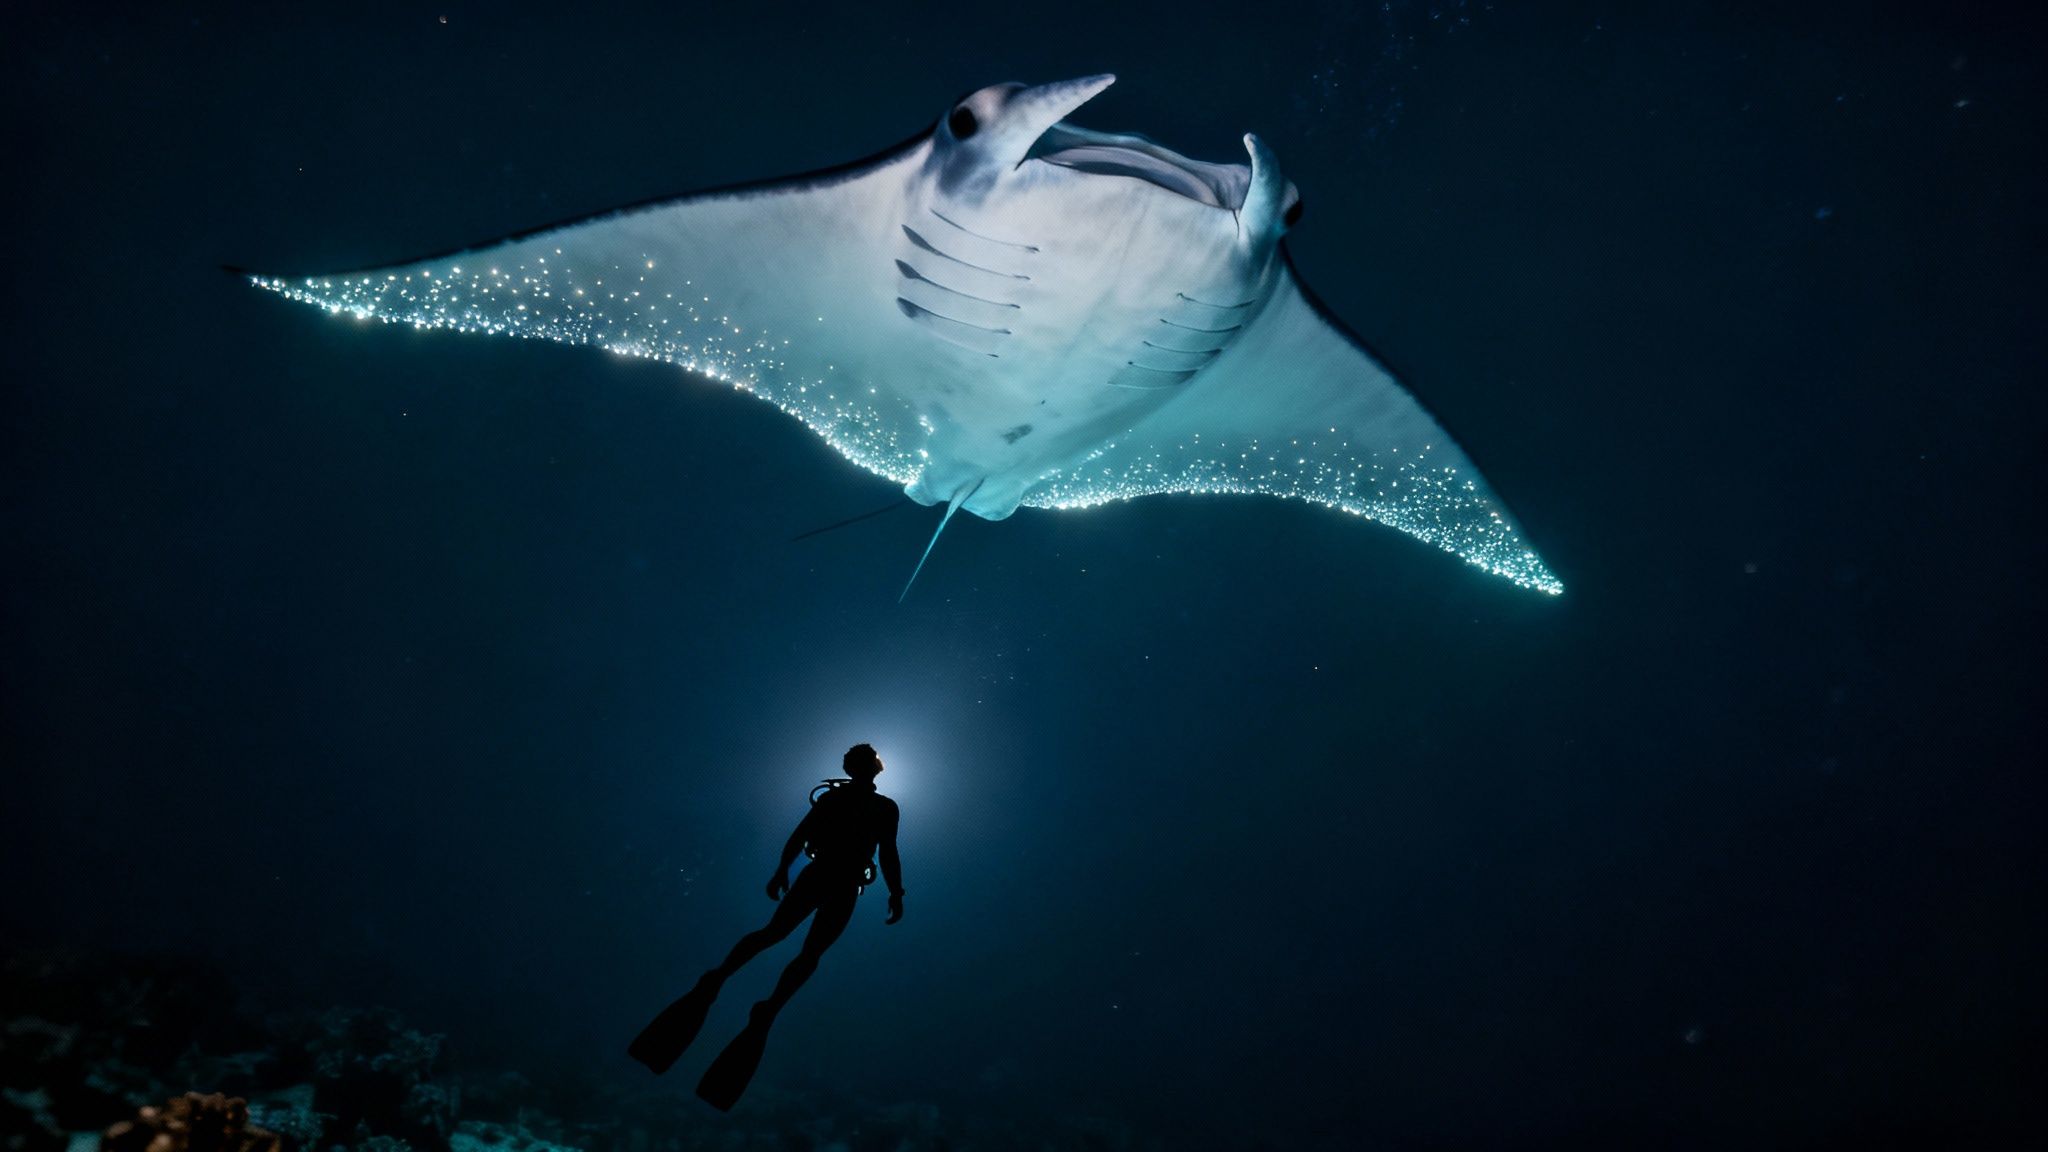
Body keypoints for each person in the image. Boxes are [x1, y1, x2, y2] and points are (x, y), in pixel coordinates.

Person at [628, 743, 905, 1107]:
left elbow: (802, 837)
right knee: (807, 951)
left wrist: (783, 869)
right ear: (874, 768)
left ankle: (722, 979)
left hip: (821, 876)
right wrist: (895, 893)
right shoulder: (882, 808)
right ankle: (765, 1004)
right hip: (839, 882)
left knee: (778, 936)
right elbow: (884, 851)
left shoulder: (838, 801)